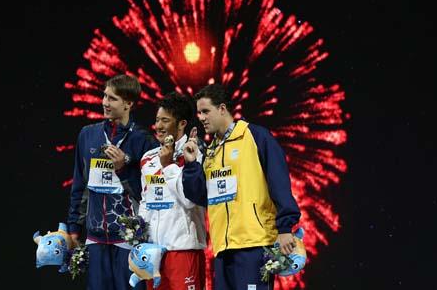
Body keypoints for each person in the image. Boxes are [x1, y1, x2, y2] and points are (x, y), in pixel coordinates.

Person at [182, 83, 301, 290]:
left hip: (253, 244)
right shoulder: (211, 151)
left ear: (222, 109)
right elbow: (200, 197)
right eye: (199, 112)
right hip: (223, 247)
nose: (200, 117)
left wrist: (284, 227)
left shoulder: (255, 136)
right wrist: (191, 165)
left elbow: (279, 182)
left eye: (205, 111)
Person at [67, 74, 158, 290]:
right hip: (95, 239)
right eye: (104, 96)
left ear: (128, 104)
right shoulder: (88, 135)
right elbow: (79, 185)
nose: (105, 103)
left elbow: (150, 193)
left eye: (112, 98)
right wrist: (73, 226)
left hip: (129, 241)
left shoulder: (143, 141)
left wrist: (124, 169)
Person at [138, 92, 206, 290]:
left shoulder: (196, 153)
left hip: (183, 250)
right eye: (157, 120)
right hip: (153, 253)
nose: (158, 126)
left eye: (165, 120)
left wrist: (168, 165)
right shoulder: (148, 158)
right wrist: (140, 233)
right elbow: (146, 200)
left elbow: (190, 200)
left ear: (181, 123)